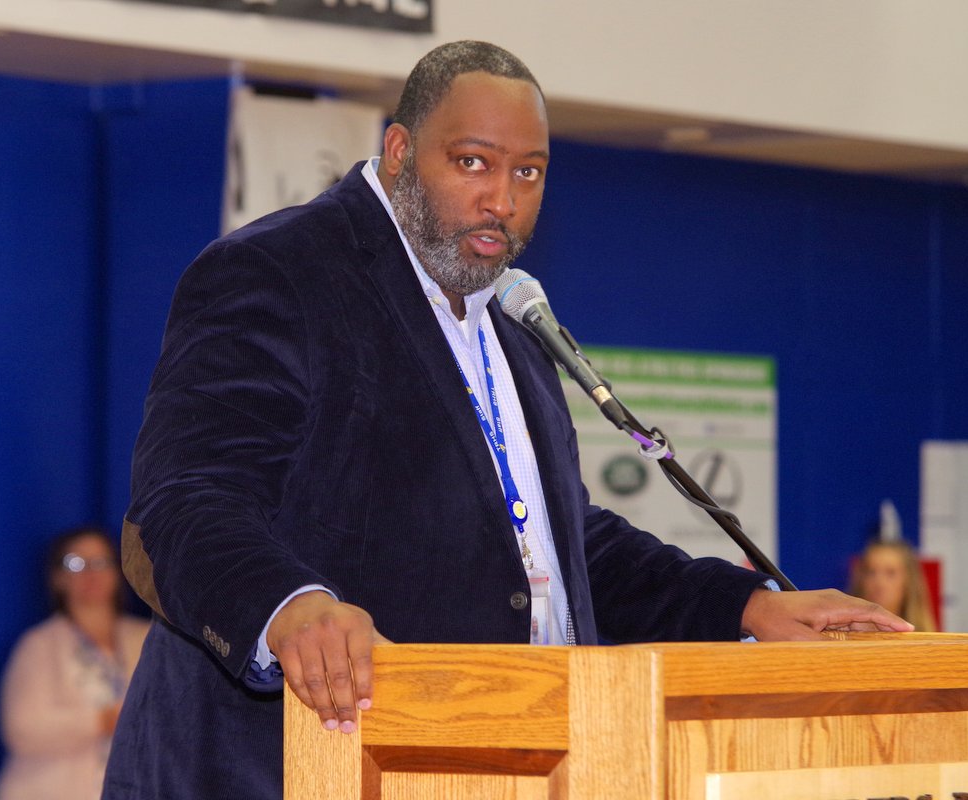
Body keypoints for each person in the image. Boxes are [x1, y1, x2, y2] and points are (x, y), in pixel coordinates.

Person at [103, 40, 912, 799]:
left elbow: (562, 550)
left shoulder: (510, 324)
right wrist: (291, 606)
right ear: (399, 152)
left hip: (502, 762)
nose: (502, 200)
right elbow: (187, 498)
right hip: (284, 767)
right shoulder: (280, 271)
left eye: (529, 172)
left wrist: (742, 607)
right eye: (473, 163)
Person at [0, 527, 149, 800]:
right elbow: (23, 729)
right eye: (75, 563)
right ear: (58, 578)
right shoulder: (39, 645)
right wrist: (101, 721)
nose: (91, 573)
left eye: (101, 562)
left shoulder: (146, 637)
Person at [848, 539, 938, 632]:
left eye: (891, 573)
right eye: (871, 572)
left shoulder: (927, 638)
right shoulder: (843, 636)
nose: (879, 583)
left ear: (909, 582)